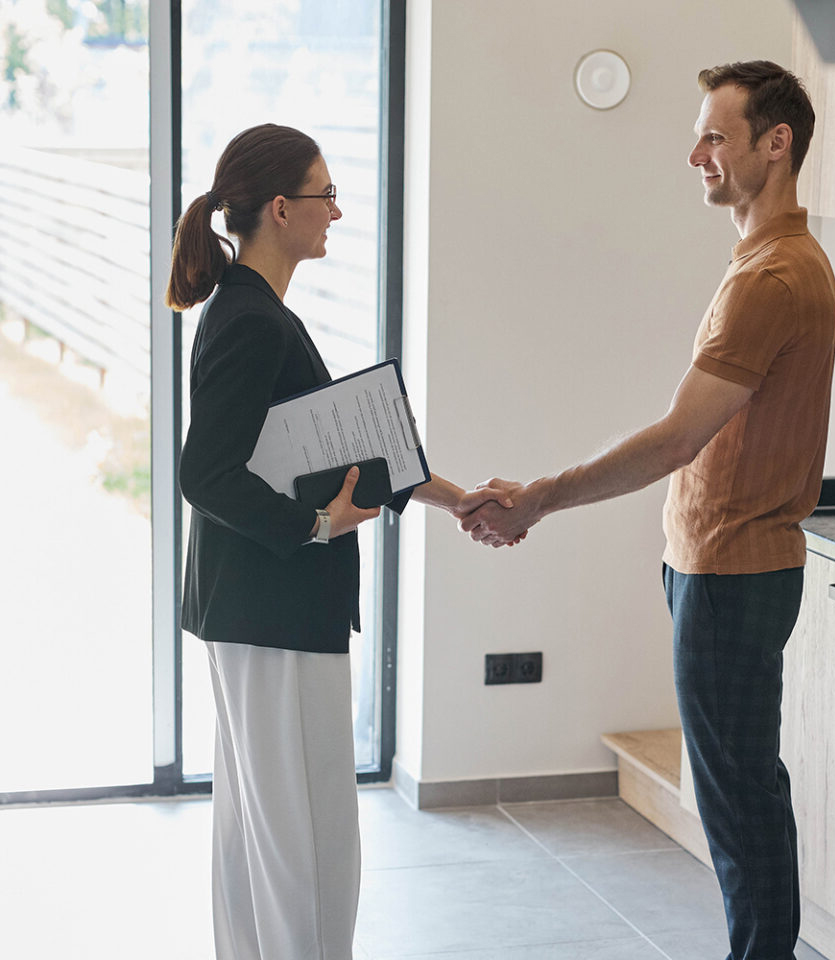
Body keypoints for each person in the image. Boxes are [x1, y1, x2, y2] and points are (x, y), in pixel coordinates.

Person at [460, 61, 835, 960]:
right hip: (717, 562)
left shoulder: (772, 278)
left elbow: (677, 439)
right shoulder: (764, 262)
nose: (695, 153)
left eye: (716, 135)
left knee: (739, 800)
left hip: (734, 570)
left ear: (775, 143)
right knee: (740, 791)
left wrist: (538, 499)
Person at [167, 123, 514, 960]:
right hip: (274, 610)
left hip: (253, 611)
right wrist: (318, 525)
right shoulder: (252, 320)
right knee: (310, 841)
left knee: (263, 832)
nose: (339, 212)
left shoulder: (253, 311)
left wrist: (455, 497)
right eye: (326, 196)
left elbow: (345, 449)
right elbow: (205, 474)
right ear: (281, 209)